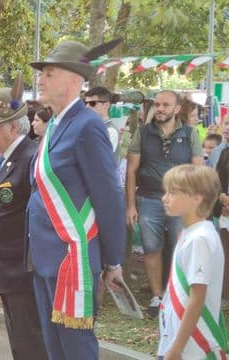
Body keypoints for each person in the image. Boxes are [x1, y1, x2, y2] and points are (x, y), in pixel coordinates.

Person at [28, 40, 126, 359]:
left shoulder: (87, 126)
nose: (40, 79)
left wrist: (113, 260)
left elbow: (108, 197)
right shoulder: (56, 124)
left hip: (72, 261)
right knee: (54, 348)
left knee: (76, 349)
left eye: (49, 73)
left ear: (72, 80)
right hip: (45, 256)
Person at [0, 88, 47, 359]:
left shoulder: (30, 158)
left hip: (22, 270)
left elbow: (38, 217)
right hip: (7, 269)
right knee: (19, 341)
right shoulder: (7, 159)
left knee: (30, 341)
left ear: (11, 127)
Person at [126, 90, 203, 318]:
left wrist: (197, 204)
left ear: (177, 109)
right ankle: (157, 297)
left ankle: (179, 296)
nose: (160, 109)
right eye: (157, 105)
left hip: (182, 202)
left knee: (182, 249)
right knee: (152, 249)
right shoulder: (142, 132)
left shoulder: (190, 133)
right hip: (149, 198)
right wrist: (130, 205)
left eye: (165, 105)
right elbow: (131, 170)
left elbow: (199, 169)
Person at [158, 164, 226, 359]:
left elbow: (197, 298)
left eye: (173, 192)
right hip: (179, 338)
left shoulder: (200, 239)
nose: (165, 198)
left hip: (193, 345)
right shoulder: (192, 232)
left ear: (197, 198)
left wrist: (176, 348)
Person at [83, 86, 120, 156]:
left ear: (106, 105)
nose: (87, 106)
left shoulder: (110, 131)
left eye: (92, 103)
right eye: (86, 103)